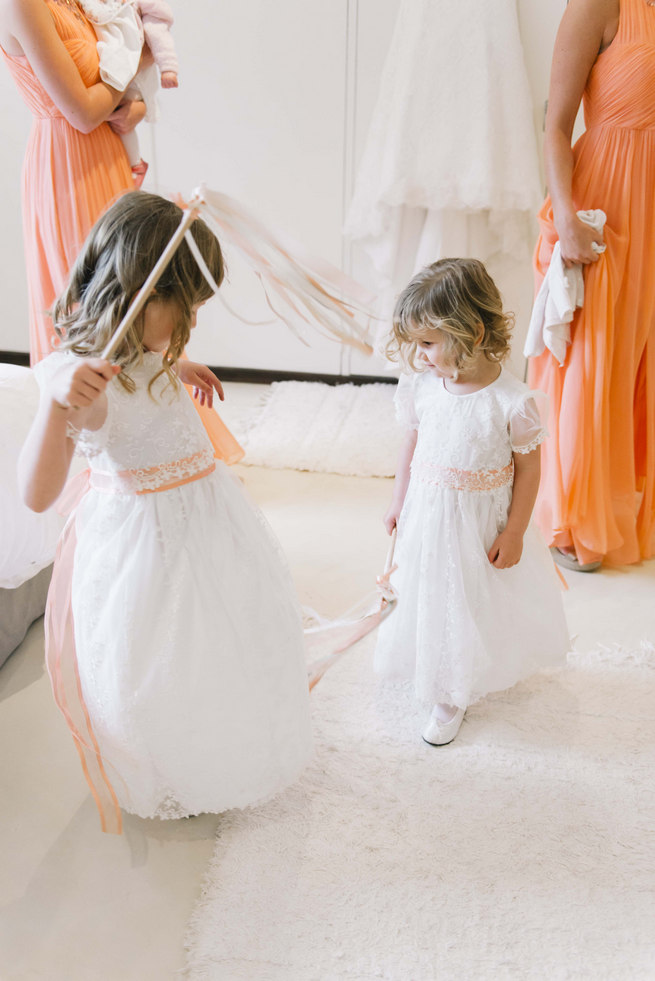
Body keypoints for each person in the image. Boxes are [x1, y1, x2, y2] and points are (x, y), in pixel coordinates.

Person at [18, 192, 313, 831]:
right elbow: (37, 494)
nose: (193, 326)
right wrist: (55, 408)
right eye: (187, 311)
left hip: (204, 521)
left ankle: (216, 735)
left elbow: (143, 368)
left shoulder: (144, 351)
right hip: (147, 549)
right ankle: (168, 761)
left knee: (219, 637)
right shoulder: (80, 382)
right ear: (137, 295)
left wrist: (174, 364)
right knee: (155, 658)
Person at [1, 0, 243, 462]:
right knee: (94, 303)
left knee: (143, 289)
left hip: (108, 153)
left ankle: (161, 436)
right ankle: (89, 451)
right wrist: (125, 84)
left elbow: (118, 69)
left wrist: (131, 101)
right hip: (65, 164)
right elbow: (82, 110)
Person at [375, 259, 570, 746]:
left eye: (427, 343)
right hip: (428, 512)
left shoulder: (512, 401)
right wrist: (399, 501)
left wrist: (515, 531)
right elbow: (411, 445)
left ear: (471, 332)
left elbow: (529, 469)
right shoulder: (424, 386)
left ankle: (453, 690)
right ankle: (435, 666)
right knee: (430, 592)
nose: (419, 357)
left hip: (480, 525)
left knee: (470, 600)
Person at [529, 0, 655, 570]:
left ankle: (632, 503)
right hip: (605, 193)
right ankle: (576, 517)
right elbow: (556, 124)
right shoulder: (598, 6)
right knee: (593, 354)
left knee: (644, 357)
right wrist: (567, 213)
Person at [78, 0, 179, 186]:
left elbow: (158, 31)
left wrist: (168, 66)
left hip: (129, 77)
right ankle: (134, 164)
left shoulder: (141, 8)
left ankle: (135, 164)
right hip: (107, 75)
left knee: (122, 121)